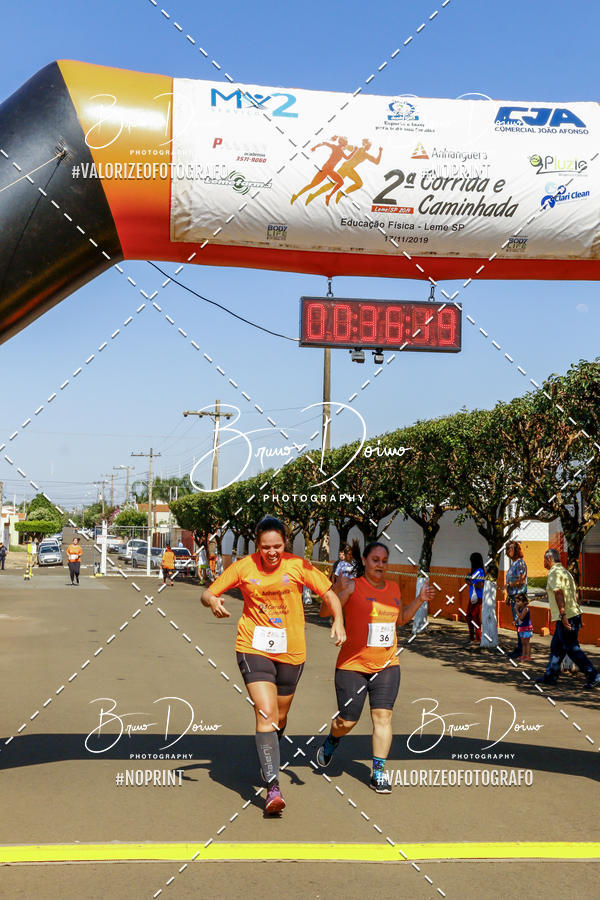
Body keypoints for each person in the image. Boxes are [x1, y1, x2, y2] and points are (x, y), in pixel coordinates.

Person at [201, 515, 345, 815]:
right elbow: (209, 592)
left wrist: (338, 621)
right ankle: (273, 787)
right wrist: (212, 602)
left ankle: (269, 750)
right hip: (253, 646)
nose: (271, 552)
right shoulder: (244, 567)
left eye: (277, 546)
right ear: (258, 545)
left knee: (279, 718)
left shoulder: (297, 566)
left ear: (285, 544)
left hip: (291, 651)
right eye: (266, 547)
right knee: (265, 713)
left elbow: (329, 593)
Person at [316, 542, 434, 793]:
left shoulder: (392, 587)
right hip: (352, 666)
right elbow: (325, 611)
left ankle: (378, 772)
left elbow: (400, 619)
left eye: (384, 560)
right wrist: (335, 590)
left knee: (383, 718)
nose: (380, 564)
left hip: (387, 665)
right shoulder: (351, 586)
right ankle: (332, 739)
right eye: (375, 560)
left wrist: (420, 599)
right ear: (365, 561)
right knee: (347, 721)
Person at [536, 548, 600, 689]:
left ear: (549, 559)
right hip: (573, 614)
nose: (543, 562)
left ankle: (593, 674)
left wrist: (563, 615)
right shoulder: (566, 572)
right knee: (557, 647)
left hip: (566, 617)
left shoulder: (554, 573)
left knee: (571, 649)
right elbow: (574, 595)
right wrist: (578, 615)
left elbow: (559, 594)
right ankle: (550, 676)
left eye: (544, 559)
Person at [503, 540, 527, 659]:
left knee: (520, 623)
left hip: (519, 597)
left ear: (515, 550)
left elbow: (521, 581)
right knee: (518, 623)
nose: (507, 551)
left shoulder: (520, 564)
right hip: (514, 596)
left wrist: (509, 586)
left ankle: (522, 649)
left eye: (509, 549)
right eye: (507, 549)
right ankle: (519, 648)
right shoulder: (514, 564)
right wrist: (508, 595)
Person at [464, 552, 485, 646]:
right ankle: (472, 637)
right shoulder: (473, 571)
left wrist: (470, 583)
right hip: (472, 597)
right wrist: (467, 579)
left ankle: (478, 638)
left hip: (478, 597)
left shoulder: (480, 571)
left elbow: (480, 584)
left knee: (475, 617)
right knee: (469, 616)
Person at [515, 596, 533, 662]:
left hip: (526, 628)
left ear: (524, 602)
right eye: (516, 601)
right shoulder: (520, 609)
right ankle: (523, 655)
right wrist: (516, 621)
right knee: (523, 643)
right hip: (521, 627)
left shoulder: (526, 609)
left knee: (526, 642)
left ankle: (528, 656)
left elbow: (521, 617)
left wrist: (516, 610)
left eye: (518, 601)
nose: (516, 603)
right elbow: (519, 617)